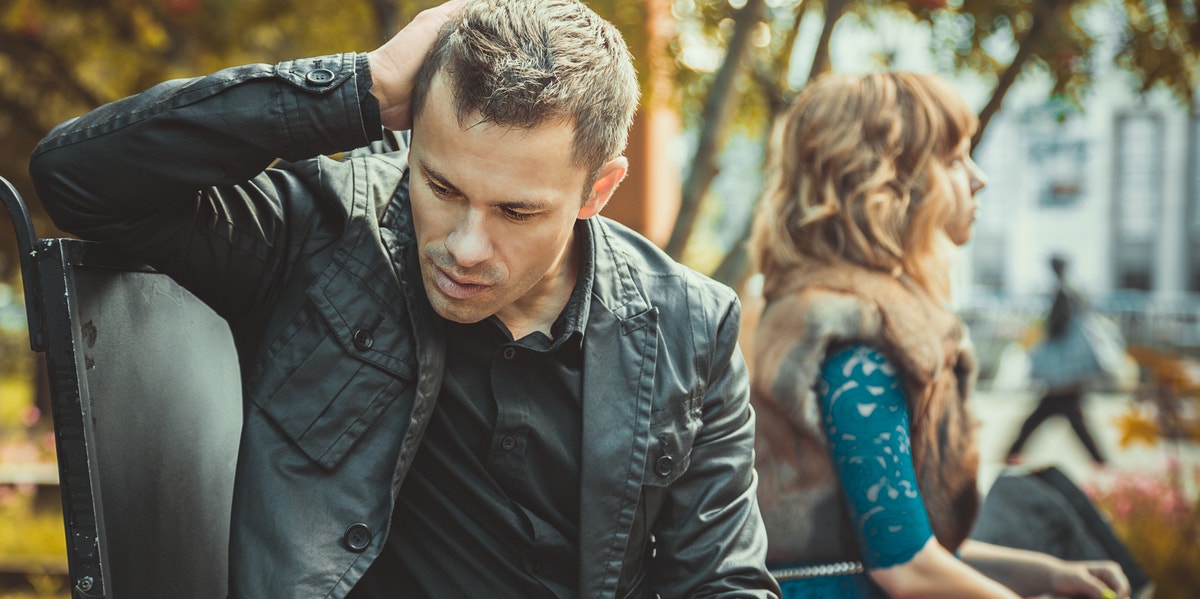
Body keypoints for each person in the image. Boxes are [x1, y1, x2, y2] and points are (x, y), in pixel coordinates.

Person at [29, 0, 780, 596]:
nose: (464, 245)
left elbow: (721, 580)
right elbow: (78, 176)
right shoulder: (323, 232)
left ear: (599, 189)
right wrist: (360, 88)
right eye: (441, 186)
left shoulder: (689, 327)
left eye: (517, 211)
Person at [745, 72, 1130, 599]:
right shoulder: (857, 341)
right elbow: (904, 570)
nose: (978, 178)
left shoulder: (831, 314)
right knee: (1042, 502)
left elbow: (906, 545)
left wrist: (1045, 574)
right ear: (886, 184)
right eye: (952, 159)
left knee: (1054, 517)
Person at [1006, 255, 1111, 465]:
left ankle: (1012, 454)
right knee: (1071, 418)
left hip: (1064, 373)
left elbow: (1057, 327)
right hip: (1071, 374)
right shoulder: (1075, 292)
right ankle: (1100, 461)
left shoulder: (1062, 293)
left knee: (1052, 416)